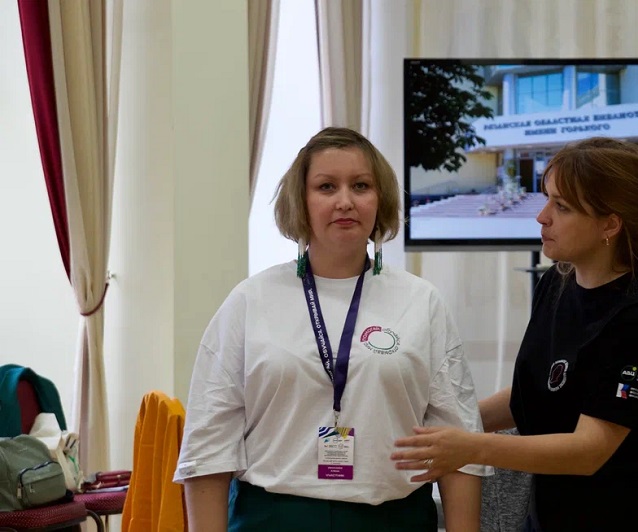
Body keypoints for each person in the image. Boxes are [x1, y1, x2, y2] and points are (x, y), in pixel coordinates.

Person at [173, 127, 489, 531]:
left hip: (392, 519)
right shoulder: (250, 301)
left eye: (361, 186)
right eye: (326, 187)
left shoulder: (421, 302)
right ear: (300, 202)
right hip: (272, 518)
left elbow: (459, 443)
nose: (345, 201)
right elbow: (208, 444)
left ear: (380, 199)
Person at [392, 137, 638, 531]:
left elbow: (588, 451)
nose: (542, 217)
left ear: (610, 224)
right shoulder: (556, 284)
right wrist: (449, 423)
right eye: (546, 199)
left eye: (562, 206)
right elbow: (539, 392)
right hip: (553, 514)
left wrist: (470, 445)